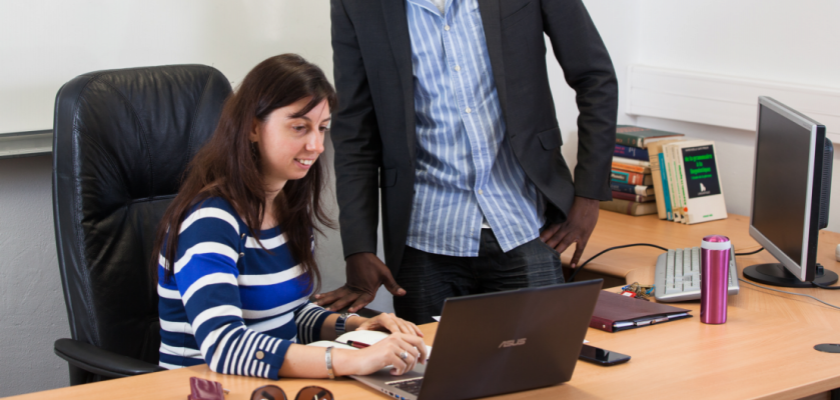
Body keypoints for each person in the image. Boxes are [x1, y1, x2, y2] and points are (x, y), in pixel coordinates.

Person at [316, 0, 618, 323]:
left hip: (523, 222)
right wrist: (359, 246)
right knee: (425, 371)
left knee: (541, 367)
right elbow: (355, 129)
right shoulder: (357, 5)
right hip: (423, 236)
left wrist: (589, 194)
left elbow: (595, 78)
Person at [152, 54, 427, 380]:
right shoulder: (209, 222)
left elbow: (288, 314)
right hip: (203, 388)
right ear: (253, 127)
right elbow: (223, 346)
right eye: (300, 127)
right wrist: (348, 361)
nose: (316, 145)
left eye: (322, 128)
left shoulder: (287, 209)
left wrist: (357, 325)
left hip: (272, 387)